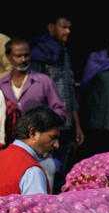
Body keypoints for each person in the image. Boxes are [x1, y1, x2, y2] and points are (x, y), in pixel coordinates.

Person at [0, 38, 67, 184]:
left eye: (27, 55)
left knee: (40, 191)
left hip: (39, 151)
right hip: (10, 149)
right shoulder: (2, 84)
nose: (23, 59)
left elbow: (60, 111)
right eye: (18, 56)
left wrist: (42, 122)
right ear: (9, 57)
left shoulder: (43, 81)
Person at [30, 15, 83, 190]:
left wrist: (77, 125)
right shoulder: (39, 55)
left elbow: (70, 92)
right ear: (51, 27)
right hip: (48, 125)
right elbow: (35, 94)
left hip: (66, 124)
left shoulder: (64, 52)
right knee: (46, 170)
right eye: (63, 27)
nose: (68, 31)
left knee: (63, 171)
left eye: (70, 28)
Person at [0, 106, 64, 196]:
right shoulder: (32, 171)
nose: (56, 145)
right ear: (33, 133)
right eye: (52, 138)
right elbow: (37, 209)